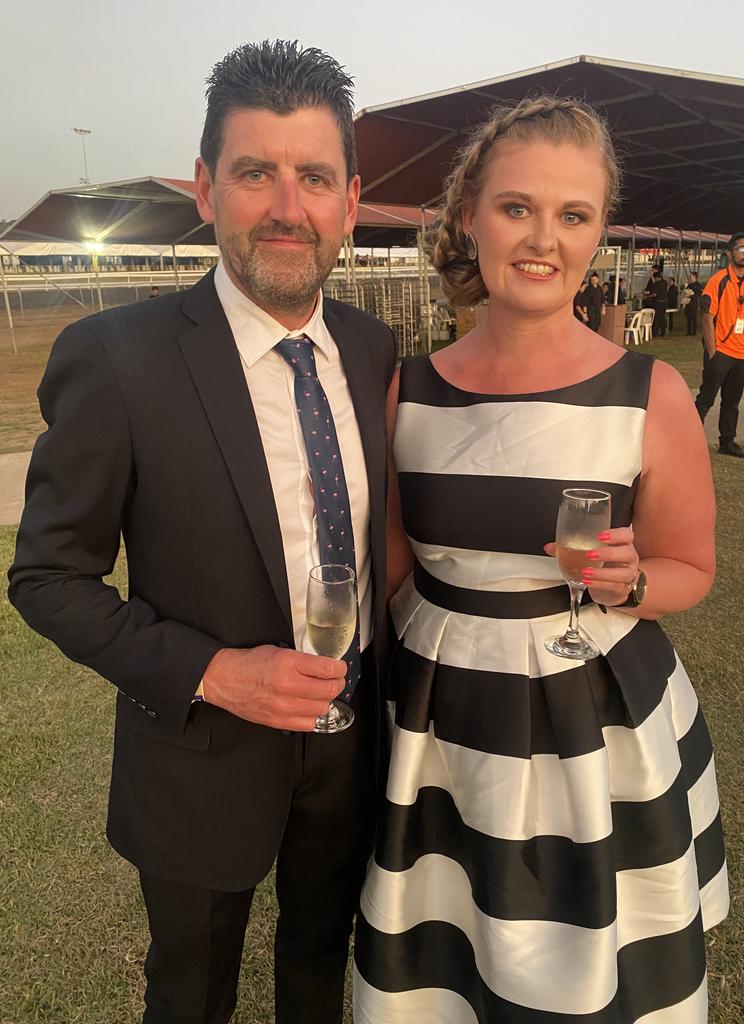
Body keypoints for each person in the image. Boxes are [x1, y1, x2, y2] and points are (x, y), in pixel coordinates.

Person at [8, 40, 396, 1024]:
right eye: (254, 171)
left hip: (353, 752)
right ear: (206, 189)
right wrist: (216, 672)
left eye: (313, 176)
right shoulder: (118, 358)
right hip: (199, 758)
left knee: (319, 964)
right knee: (191, 994)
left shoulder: (369, 346)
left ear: (350, 201)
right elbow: (49, 577)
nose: (285, 204)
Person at [354, 95, 728, 1023]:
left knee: (588, 961)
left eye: (575, 215)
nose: (542, 239)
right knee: (446, 952)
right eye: (518, 207)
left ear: (600, 232)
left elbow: (691, 567)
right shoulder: (412, 388)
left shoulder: (653, 393)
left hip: (593, 721)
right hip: (442, 717)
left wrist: (632, 581)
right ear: (469, 215)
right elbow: (391, 569)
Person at [694, 232, 744, 458]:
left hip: (742, 354)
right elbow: (707, 318)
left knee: (732, 401)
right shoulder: (718, 281)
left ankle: (727, 441)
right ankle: (687, 439)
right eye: (742, 249)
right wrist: (713, 353)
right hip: (721, 352)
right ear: (730, 253)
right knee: (705, 399)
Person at [649, 268, 669, 337]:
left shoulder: (657, 283)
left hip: (658, 303)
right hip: (665, 302)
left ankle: (655, 332)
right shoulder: (665, 282)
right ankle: (662, 332)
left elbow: (654, 294)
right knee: (662, 317)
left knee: (657, 318)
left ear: (656, 278)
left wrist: (648, 296)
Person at [683, 270, 703, 336]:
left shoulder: (698, 285)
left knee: (693, 317)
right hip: (688, 302)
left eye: (691, 276)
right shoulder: (689, 285)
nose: (690, 277)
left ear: (694, 277)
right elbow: (685, 292)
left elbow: (698, 294)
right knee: (688, 317)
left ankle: (694, 332)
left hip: (694, 303)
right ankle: (688, 331)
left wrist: (692, 295)